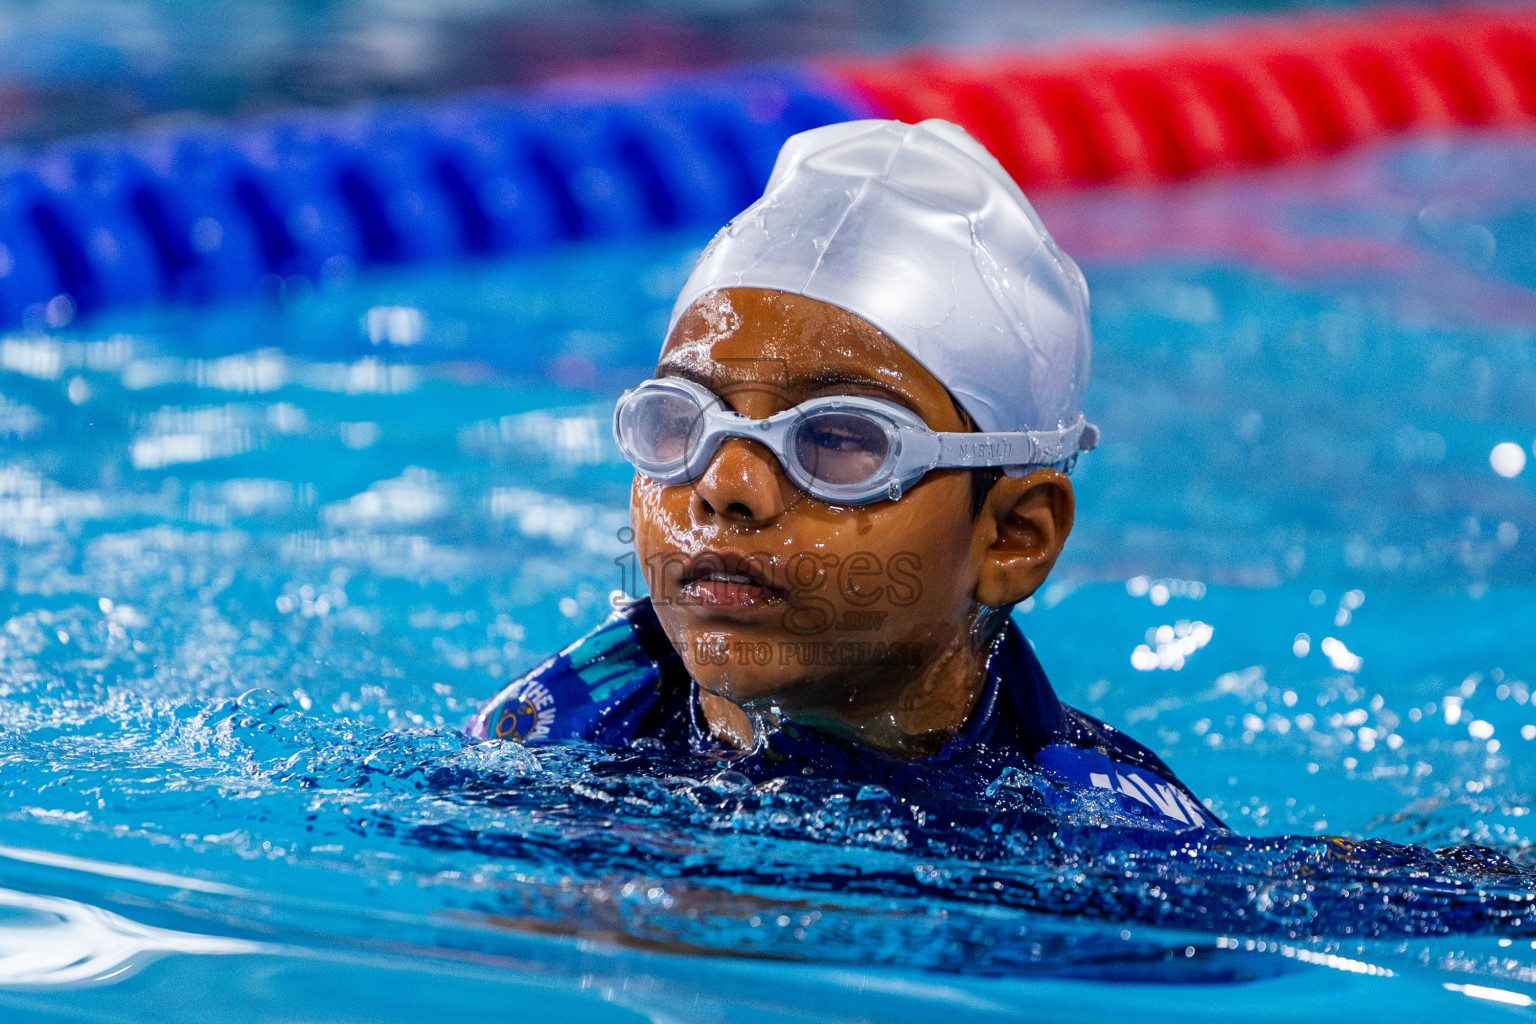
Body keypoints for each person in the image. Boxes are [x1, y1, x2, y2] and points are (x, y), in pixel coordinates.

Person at [470, 118, 1222, 832]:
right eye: (683, 421)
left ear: (1011, 538)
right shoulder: (555, 736)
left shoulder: (1102, 837)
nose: (724, 484)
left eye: (834, 439)